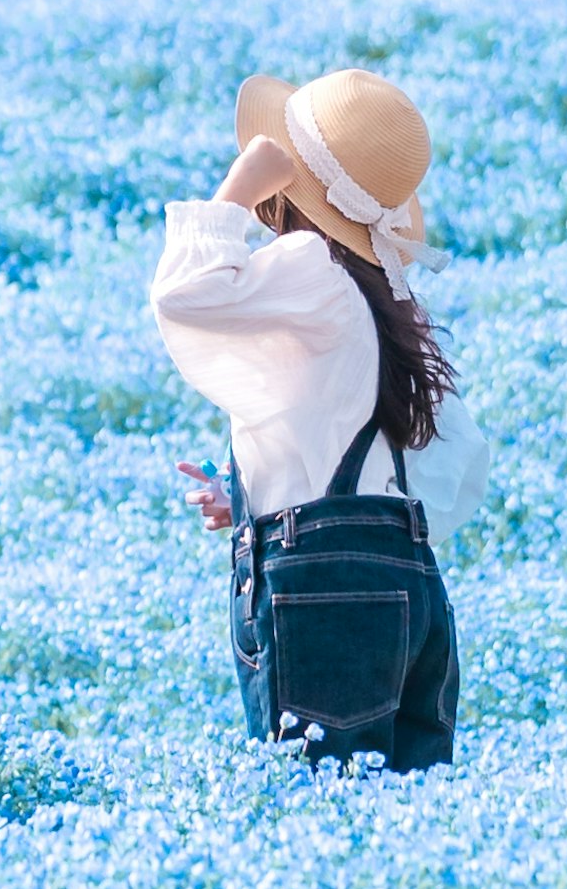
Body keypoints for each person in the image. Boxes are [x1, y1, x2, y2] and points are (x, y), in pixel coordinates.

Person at [150, 63, 484, 768]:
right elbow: (374, 458)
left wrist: (239, 190)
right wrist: (250, 492)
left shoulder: (311, 268)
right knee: (404, 820)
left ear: (290, 184)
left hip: (324, 591)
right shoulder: (375, 298)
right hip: (409, 583)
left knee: (317, 808)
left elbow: (183, 293)